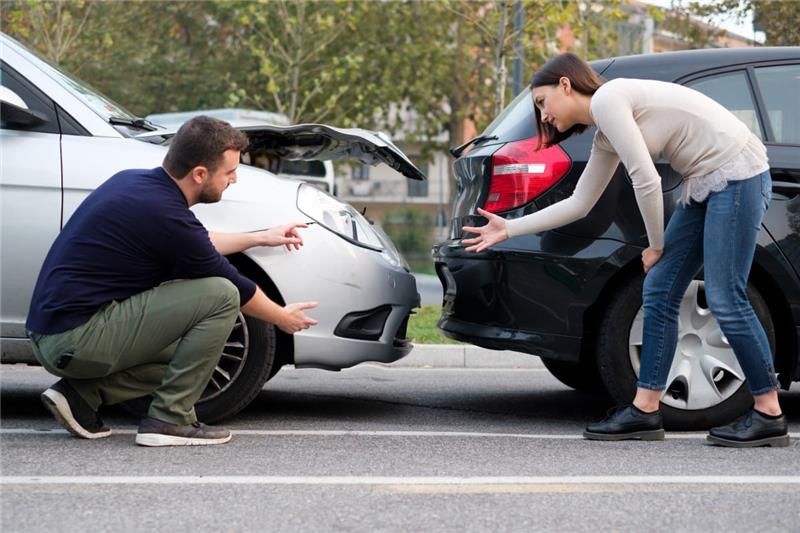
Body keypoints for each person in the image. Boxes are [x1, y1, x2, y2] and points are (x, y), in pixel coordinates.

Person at [462, 53, 787, 448]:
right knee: (661, 289)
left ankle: (769, 412)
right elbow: (580, 203)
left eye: (543, 102)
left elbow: (647, 181)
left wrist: (654, 246)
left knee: (724, 295)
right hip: (707, 183)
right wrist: (509, 227)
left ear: (566, 84)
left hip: (737, 176)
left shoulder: (608, 99)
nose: (543, 116)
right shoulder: (605, 132)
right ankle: (645, 409)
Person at [26, 116, 318, 447]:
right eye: (229, 172)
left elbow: (198, 240)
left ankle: (80, 396)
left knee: (195, 352)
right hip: (75, 339)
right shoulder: (165, 214)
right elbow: (235, 285)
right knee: (220, 294)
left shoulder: (136, 184)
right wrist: (283, 318)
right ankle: (169, 419)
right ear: (199, 174)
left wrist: (261, 237)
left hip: (58, 334)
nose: (235, 179)